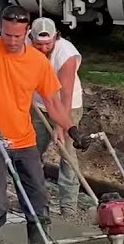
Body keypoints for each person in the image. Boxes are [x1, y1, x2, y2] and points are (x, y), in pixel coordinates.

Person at [0, 5, 87, 244]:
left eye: (17, 36)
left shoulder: (37, 62)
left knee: (38, 198)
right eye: (7, 34)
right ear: (1, 29)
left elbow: (54, 103)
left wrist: (71, 128)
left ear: (27, 33)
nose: (11, 40)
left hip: (23, 141)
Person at [28, 18, 86, 216]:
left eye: (47, 44)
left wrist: (61, 126)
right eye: (39, 44)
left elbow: (66, 94)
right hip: (38, 105)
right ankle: (32, 199)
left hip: (66, 106)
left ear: (55, 38)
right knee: (32, 151)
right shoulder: (25, 47)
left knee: (67, 153)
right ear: (31, 38)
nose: (43, 49)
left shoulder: (66, 54)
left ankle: (68, 206)